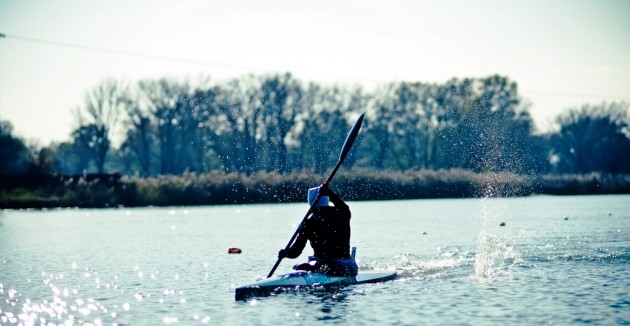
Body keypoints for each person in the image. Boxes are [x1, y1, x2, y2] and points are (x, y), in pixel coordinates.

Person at [277, 184, 358, 277]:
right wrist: (286, 253)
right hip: (318, 263)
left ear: (327, 206)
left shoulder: (340, 215)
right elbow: (296, 251)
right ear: (312, 209)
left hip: (343, 263)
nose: (321, 213)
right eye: (317, 210)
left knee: (328, 267)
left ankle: (318, 268)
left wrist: (330, 193)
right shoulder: (307, 224)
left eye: (324, 210)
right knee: (299, 267)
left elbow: (344, 207)